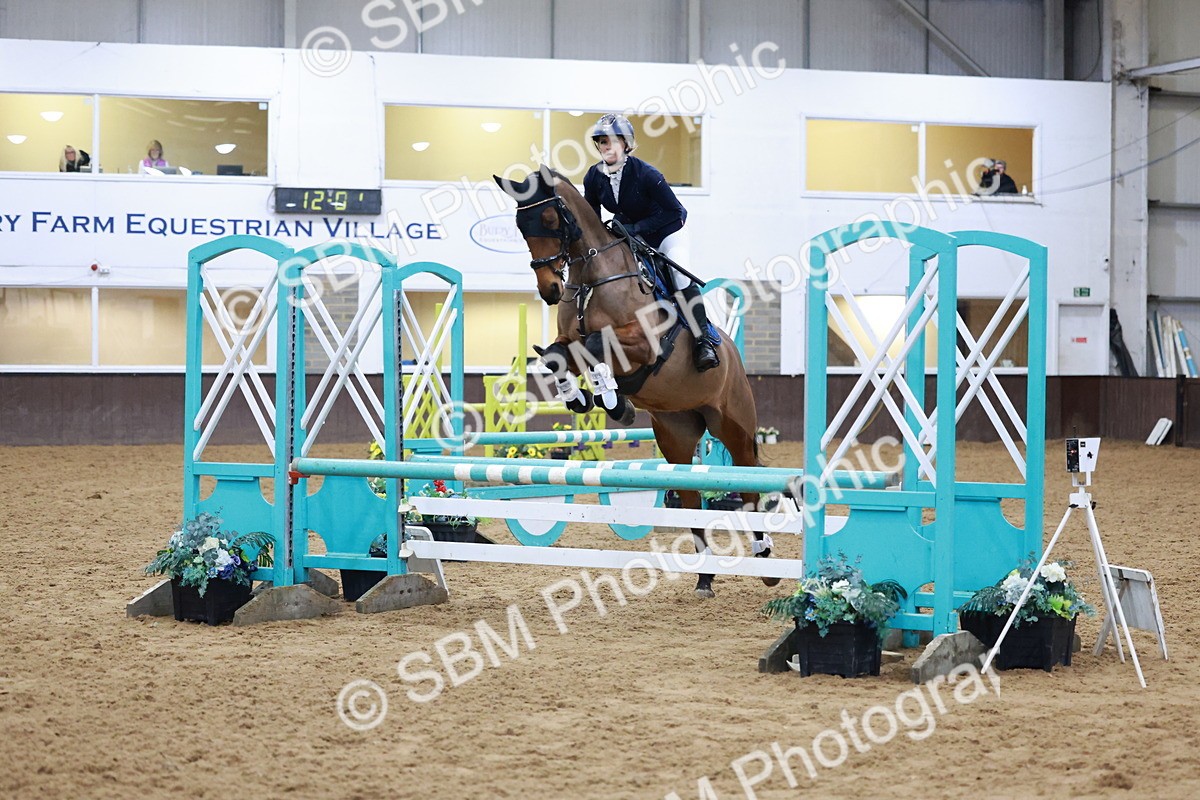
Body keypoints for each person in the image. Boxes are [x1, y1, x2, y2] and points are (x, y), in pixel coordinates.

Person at [582, 113, 719, 372]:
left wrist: (637, 229)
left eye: (613, 141)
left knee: (679, 276)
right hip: (630, 236)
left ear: (626, 144)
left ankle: (703, 341)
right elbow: (592, 219)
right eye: (602, 142)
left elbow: (676, 212)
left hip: (667, 232)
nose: (607, 147)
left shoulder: (646, 174)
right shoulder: (594, 177)